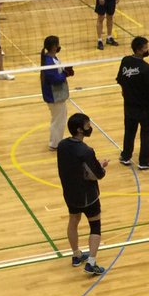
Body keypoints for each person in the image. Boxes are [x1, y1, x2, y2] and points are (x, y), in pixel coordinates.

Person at [56, 112, 108, 277]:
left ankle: (76, 254)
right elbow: (97, 174)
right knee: (95, 225)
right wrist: (102, 166)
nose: (90, 127)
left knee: (73, 221)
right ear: (79, 130)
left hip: (70, 193)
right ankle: (91, 263)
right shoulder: (86, 151)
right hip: (88, 196)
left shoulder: (62, 145)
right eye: (87, 125)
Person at [115, 35, 149, 170]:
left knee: (129, 132)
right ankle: (144, 162)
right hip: (145, 108)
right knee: (145, 135)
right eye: (146, 48)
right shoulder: (146, 68)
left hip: (129, 106)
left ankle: (125, 156)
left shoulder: (125, 61)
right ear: (139, 50)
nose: (148, 50)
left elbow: (120, 79)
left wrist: (124, 91)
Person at [40, 35, 74, 150]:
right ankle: (54, 144)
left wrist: (65, 71)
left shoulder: (52, 58)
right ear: (54, 46)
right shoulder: (48, 62)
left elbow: (57, 73)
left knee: (60, 119)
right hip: (54, 96)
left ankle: (57, 140)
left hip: (58, 95)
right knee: (58, 120)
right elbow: (54, 79)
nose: (59, 46)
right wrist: (65, 73)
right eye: (58, 44)